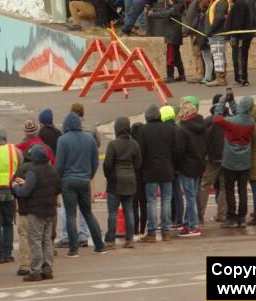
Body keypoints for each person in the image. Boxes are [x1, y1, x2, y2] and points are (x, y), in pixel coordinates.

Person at [55, 112, 107, 255]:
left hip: (68, 181)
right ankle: (99, 245)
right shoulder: (89, 139)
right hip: (84, 180)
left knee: (71, 215)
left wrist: (57, 181)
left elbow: (59, 165)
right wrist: (88, 176)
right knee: (88, 213)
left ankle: (73, 249)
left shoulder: (62, 140)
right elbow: (95, 162)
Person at [13, 145, 61, 281]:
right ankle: (48, 270)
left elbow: (25, 192)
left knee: (35, 241)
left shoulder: (33, 171)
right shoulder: (52, 170)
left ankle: (35, 271)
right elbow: (58, 188)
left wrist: (17, 186)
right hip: (50, 210)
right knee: (47, 241)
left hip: (36, 211)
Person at [137, 104, 178, 243]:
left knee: (151, 201)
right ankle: (166, 231)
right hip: (167, 169)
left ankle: (152, 232)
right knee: (166, 200)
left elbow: (140, 152)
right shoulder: (169, 129)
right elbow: (175, 149)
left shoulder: (143, 131)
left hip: (150, 170)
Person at [213, 96, 255, 228]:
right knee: (242, 190)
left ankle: (231, 217)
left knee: (229, 189)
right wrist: (231, 102)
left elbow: (217, 118)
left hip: (230, 160)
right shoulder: (251, 122)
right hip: (244, 160)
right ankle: (242, 217)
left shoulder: (231, 122)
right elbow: (240, 113)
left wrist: (222, 102)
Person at [102, 117, 140, 247]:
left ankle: (110, 240)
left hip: (115, 181)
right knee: (128, 211)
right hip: (130, 180)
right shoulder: (134, 144)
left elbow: (107, 164)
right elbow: (138, 164)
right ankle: (129, 239)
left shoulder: (113, 144)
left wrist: (109, 176)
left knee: (112, 212)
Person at [0, 126, 21, 264]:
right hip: (10, 191)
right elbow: (21, 168)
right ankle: (8, 253)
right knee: (8, 223)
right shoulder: (14, 150)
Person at [177, 97, 205, 236]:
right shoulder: (201, 124)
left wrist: (177, 164)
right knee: (192, 195)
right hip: (199, 164)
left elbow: (180, 150)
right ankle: (188, 223)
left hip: (187, 166)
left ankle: (193, 225)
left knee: (189, 197)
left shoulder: (183, 129)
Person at [198, 96, 227, 224]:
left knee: (205, 185)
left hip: (212, 157)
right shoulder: (230, 120)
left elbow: (204, 139)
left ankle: (199, 214)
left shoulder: (208, 121)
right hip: (227, 157)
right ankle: (222, 214)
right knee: (224, 186)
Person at [148, 0, 186, 83]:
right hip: (173, 35)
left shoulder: (176, 8)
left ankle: (170, 76)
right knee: (176, 56)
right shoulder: (174, 7)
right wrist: (153, 9)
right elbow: (163, 10)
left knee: (170, 57)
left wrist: (152, 14)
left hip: (172, 36)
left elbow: (164, 13)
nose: (168, 1)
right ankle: (182, 75)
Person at [204, 0, 230, 87]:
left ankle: (220, 79)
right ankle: (220, 77)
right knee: (217, 55)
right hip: (214, 34)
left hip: (217, 34)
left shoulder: (221, 2)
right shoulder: (216, 1)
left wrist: (210, 30)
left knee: (218, 56)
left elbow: (219, 18)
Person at [183, 0, 206, 82]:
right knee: (196, 53)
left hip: (196, 31)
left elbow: (200, 16)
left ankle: (200, 74)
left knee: (198, 53)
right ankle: (199, 73)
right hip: (193, 30)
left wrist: (193, 27)